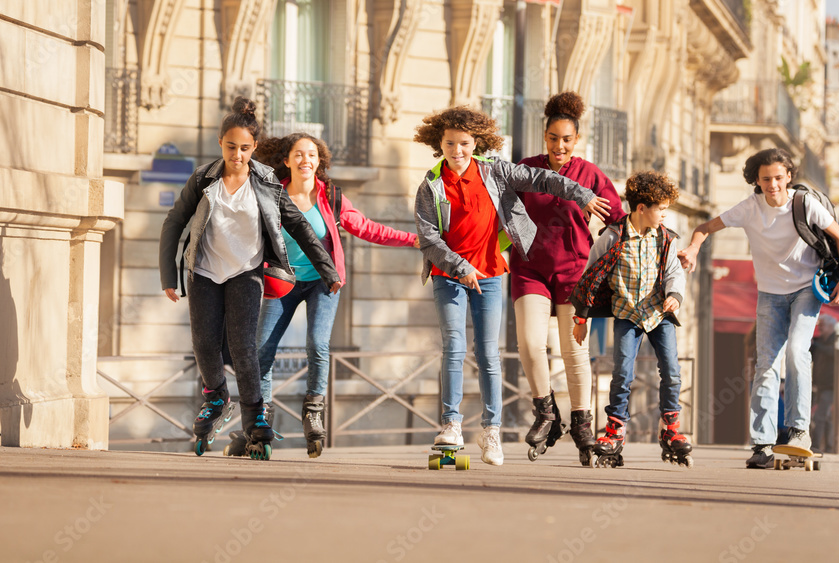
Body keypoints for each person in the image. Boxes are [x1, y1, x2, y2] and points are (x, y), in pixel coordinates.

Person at [414, 106, 610, 465]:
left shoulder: (494, 171)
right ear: (438, 144)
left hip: (491, 274)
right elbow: (427, 238)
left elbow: (542, 179)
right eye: (449, 144)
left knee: (488, 353)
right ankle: (452, 424)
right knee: (455, 347)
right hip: (450, 276)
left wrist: (581, 195)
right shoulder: (431, 185)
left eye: (464, 143)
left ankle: (492, 432)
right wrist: (459, 266)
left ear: (477, 143)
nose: (457, 151)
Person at [159, 97, 341, 460]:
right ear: (220, 143)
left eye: (244, 148)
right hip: (205, 272)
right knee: (205, 345)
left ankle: (256, 415)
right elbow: (174, 222)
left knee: (244, 349)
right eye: (231, 147)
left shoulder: (268, 181)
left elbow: (300, 226)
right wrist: (169, 275)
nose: (237, 155)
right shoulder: (203, 178)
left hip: (246, 272)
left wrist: (327, 269)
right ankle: (216, 396)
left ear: (254, 147)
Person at [231, 132, 420, 458]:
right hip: (283, 282)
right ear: (287, 161)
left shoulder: (330, 198)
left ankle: (313, 410)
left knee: (317, 343)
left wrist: (411, 239)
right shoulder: (271, 196)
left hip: (323, 282)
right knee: (262, 350)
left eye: (312, 155)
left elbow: (367, 227)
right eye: (299, 154)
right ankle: (260, 416)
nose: (306, 160)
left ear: (319, 162)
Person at [679, 147, 839, 468]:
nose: (772, 185)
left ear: (789, 177)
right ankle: (762, 443)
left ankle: (799, 431)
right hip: (769, 294)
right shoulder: (749, 208)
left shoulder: (804, 204)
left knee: (797, 353)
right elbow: (704, 228)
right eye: (765, 179)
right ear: (756, 181)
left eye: (778, 178)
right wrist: (692, 248)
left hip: (805, 290)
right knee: (766, 365)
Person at [511, 91, 625, 464]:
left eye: (567, 139)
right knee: (529, 344)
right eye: (553, 138)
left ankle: (581, 422)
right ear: (544, 137)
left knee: (574, 351)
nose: (560, 146)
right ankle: (546, 414)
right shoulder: (527, 169)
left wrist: (611, 264)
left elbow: (618, 223)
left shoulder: (591, 175)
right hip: (529, 269)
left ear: (577, 140)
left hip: (574, 273)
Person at [571, 171, 691, 467]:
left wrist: (675, 294)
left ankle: (671, 428)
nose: (665, 214)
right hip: (626, 314)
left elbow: (675, 271)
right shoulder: (613, 236)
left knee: (672, 371)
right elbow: (592, 275)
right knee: (623, 373)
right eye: (661, 209)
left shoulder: (665, 238)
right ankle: (614, 429)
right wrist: (581, 318)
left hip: (658, 314)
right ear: (641, 208)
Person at [810, 315, 837, 452]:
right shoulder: (820, 340)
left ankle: (815, 446)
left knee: (820, 416)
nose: (820, 328)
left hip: (831, 386)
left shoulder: (836, 340)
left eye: (823, 325)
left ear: (831, 326)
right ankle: (829, 446)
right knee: (826, 417)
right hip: (820, 385)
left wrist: (817, 345)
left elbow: (834, 353)